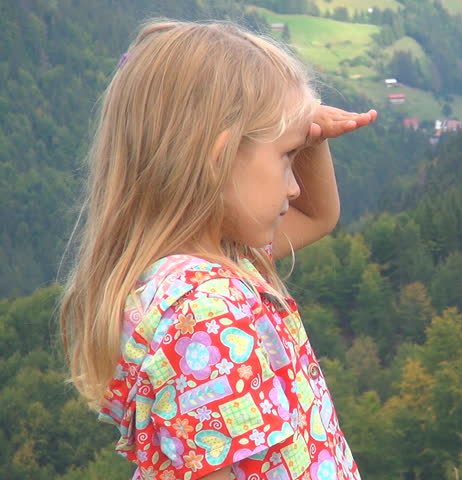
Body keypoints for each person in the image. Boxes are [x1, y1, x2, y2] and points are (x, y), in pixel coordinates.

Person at [59, 19, 377, 480]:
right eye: (288, 157)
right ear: (220, 159)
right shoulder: (204, 310)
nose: (294, 187)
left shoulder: (213, 266)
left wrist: (305, 135)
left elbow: (318, 217)